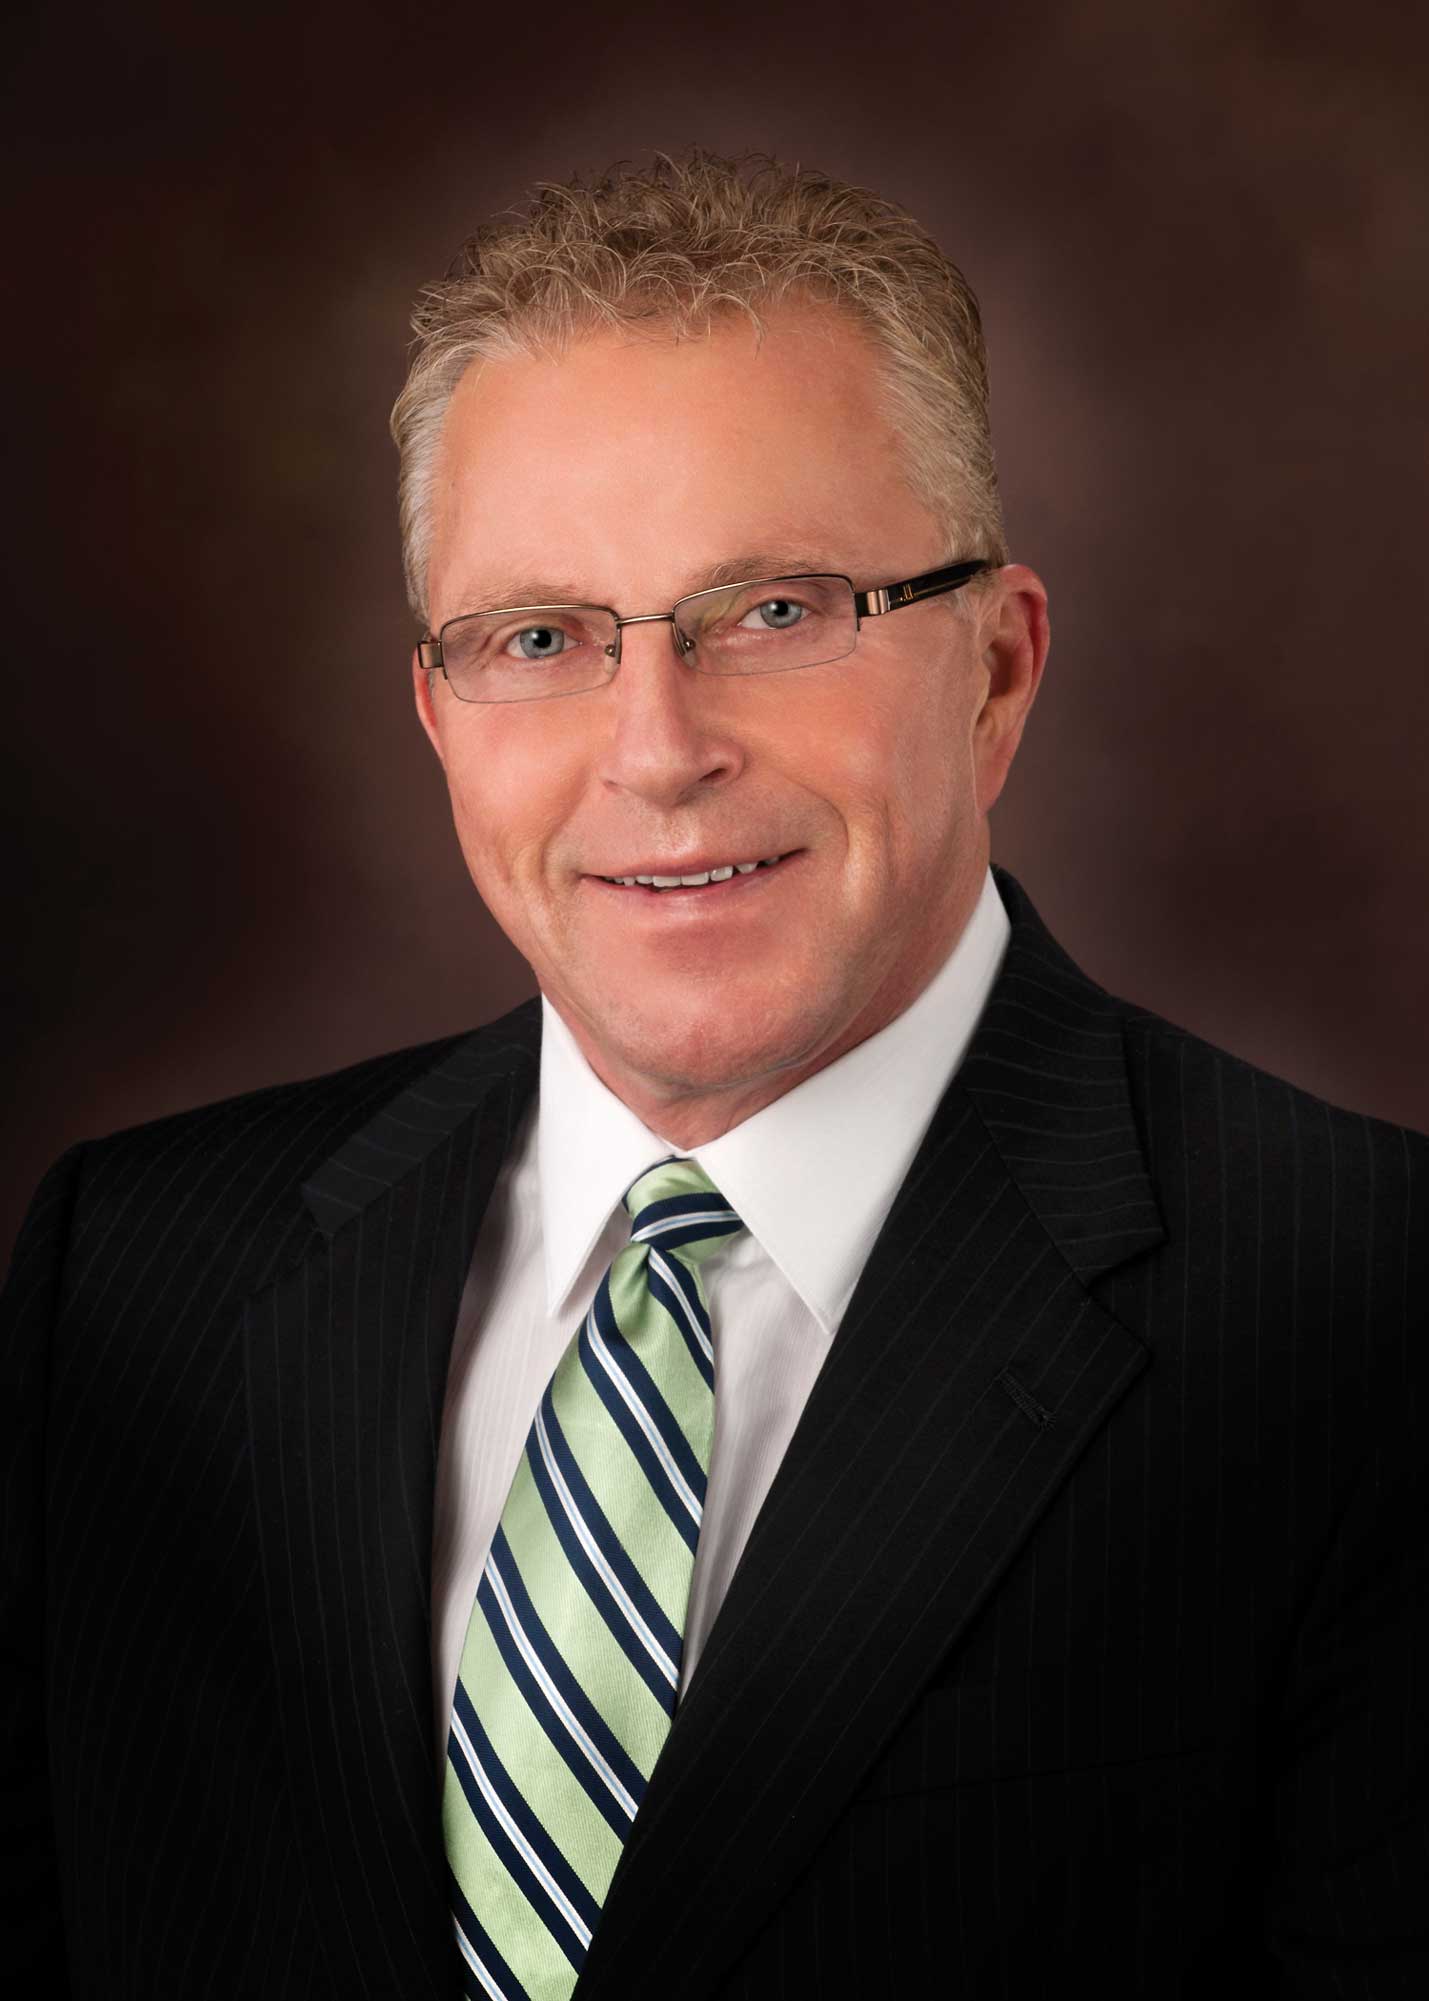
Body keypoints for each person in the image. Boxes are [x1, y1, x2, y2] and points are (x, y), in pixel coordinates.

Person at [2, 149, 1425, 2001]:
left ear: (996, 671)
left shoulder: (1362, 1312)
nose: (656, 749)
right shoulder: (134, 1285)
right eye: (538, 639)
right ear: (435, 712)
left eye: (775, 611)